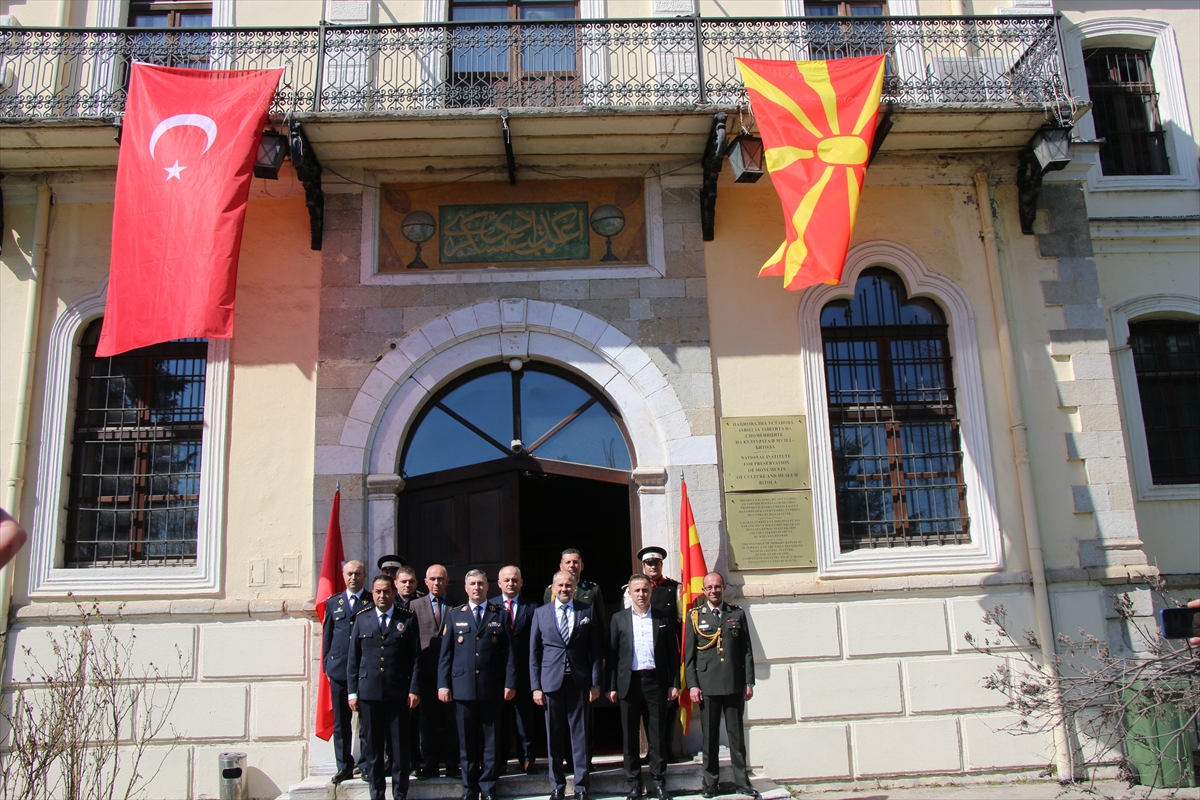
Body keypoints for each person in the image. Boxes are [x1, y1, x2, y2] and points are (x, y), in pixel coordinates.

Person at [439, 570, 518, 800]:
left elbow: (509, 655)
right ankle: (470, 789)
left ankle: (489, 789)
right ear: (465, 588)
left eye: (481, 583)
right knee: (468, 744)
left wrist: (510, 683)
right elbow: (446, 655)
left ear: (488, 586)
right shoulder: (455, 615)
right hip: (462, 688)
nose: (477, 587)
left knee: (491, 743)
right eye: (472, 584)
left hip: (492, 688)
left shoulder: (500, 614)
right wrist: (443, 685)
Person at [684, 572, 758, 800]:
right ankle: (710, 783)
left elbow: (746, 650)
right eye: (709, 587)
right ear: (704, 590)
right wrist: (693, 686)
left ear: (723, 588)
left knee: (736, 737)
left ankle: (742, 782)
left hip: (734, 683)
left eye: (717, 587)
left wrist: (748, 681)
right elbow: (689, 657)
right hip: (707, 686)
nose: (714, 591)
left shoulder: (736, 614)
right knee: (710, 738)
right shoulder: (695, 616)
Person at [531, 570, 603, 800]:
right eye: (560, 586)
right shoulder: (541, 613)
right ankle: (557, 786)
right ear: (553, 588)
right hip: (551, 684)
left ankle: (581, 786)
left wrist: (595, 683)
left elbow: (595, 650)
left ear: (574, 588)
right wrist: (536, 687)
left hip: (578, 682)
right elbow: (534, 653)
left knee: (579, 735)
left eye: (568, 586)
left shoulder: (586, 610)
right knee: (554, 735)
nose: (564, 589)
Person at [348, 575, 422, 800]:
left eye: (386, 591)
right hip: (369, 693)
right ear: (372, 594)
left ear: (393, 593)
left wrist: (414, 689)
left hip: (398, 692)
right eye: (378, 592)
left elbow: (415, 658)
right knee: (373, 748)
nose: (382, 596)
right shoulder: (362, 619)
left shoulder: (407, 618)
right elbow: (354, 658)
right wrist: (352, 692)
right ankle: (377, 794)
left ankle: (400, 794)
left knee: (399, 749)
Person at [607, 573, 679, 800]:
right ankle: (634, 784)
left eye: (645, 590)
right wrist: (611, 686)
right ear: (629, 592)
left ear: (651, 592)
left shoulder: (662, 618)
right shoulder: (618, 619)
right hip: (629, 684)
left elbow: (672, 655)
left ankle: (658, 782)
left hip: (655, 683)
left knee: (656, 736)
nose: (641, 594)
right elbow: (612, 656)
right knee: (629, 736)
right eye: (637, 590)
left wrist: (674, 684)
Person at [322, 560, 371, 785]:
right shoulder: (334, 603)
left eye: (357, 573)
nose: (353, 577)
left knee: (367, 722)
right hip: (339, 671)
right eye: (350, 573)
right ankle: (344, 765)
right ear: (343, 575)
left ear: (365, 575)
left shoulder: (371, 601)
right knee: (341, 723)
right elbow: (328, 636)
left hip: (364, 671)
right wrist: (326, 665)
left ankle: (366, 764)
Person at [412, 564, 460, 779]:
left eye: (441, 579)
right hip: (425, 673)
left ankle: (452, 764)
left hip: (452, 674)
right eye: (433, 579)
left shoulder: (457, 606)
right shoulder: (414, 606)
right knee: (427, 722)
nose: (437, 583)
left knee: (453, 721)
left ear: (447, 581)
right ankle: (430, 764)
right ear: (426, 582)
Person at [491, 565, 539, 775]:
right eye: (507, 580)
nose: (511, 584)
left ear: (521, 583)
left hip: (523, 672)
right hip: (496, 674)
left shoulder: (532, 607)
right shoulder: (490, 606)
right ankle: (500, 761)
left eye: (515, 580)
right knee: (499, 719)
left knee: (524, 718)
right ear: (499, 583)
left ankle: (527, 759)